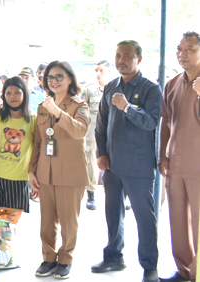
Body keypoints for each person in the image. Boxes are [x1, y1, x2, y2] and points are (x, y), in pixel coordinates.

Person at [91, 40, 162, 282]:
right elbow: (101, 123)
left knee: (144, 216)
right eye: (118, 55)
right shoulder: (111, 86)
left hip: (139, 165)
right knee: (113, 213)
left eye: (127, 55)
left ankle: (150, 265)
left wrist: (128, 107)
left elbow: (151, 122)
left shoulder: (151, 88)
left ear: (139, 59)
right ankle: (113, 256)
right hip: (112, 164)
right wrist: (101, 152)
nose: (121, 60)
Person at [29, 61, 89, 279]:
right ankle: (48, 258)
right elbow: (38, 141)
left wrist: (58, 113)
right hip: (46, 171)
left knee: (68, 221)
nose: (54, 81)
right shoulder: (43, 106)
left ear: (70, 79)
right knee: (46, 221)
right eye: (50, 78)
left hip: (71, 173)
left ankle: (66, 259)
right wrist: (32, 171)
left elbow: (80, 131)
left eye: (59, 77)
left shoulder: (79, 105)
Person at [158, 31, 200, 282]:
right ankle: (184, 270)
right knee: (177, 219)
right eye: (179, 49)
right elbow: (165, 123)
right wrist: (163, 155)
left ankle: (198, 271)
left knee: (198, 220)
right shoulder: (172, 83)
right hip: (175, 162)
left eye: (190, 50)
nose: (183, 55)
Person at [0, 76, 35, 212]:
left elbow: (37, 150)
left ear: (24, 93)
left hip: (18, 179)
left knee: (11, 224)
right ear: (3, 95)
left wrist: (34, 174)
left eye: (17, 92)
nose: (13, 97)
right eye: (8, 93)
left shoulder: (33, 119)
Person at [81, 60, 110, 210]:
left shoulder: (115, 88)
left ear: (108, 71)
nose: (98, 73)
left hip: (111, 128)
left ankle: (119, 194)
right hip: (93, 128)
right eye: (96, 70)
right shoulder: (89, 89)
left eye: (101, 70)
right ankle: (91, 192)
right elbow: (80, 108)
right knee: (90, 159)